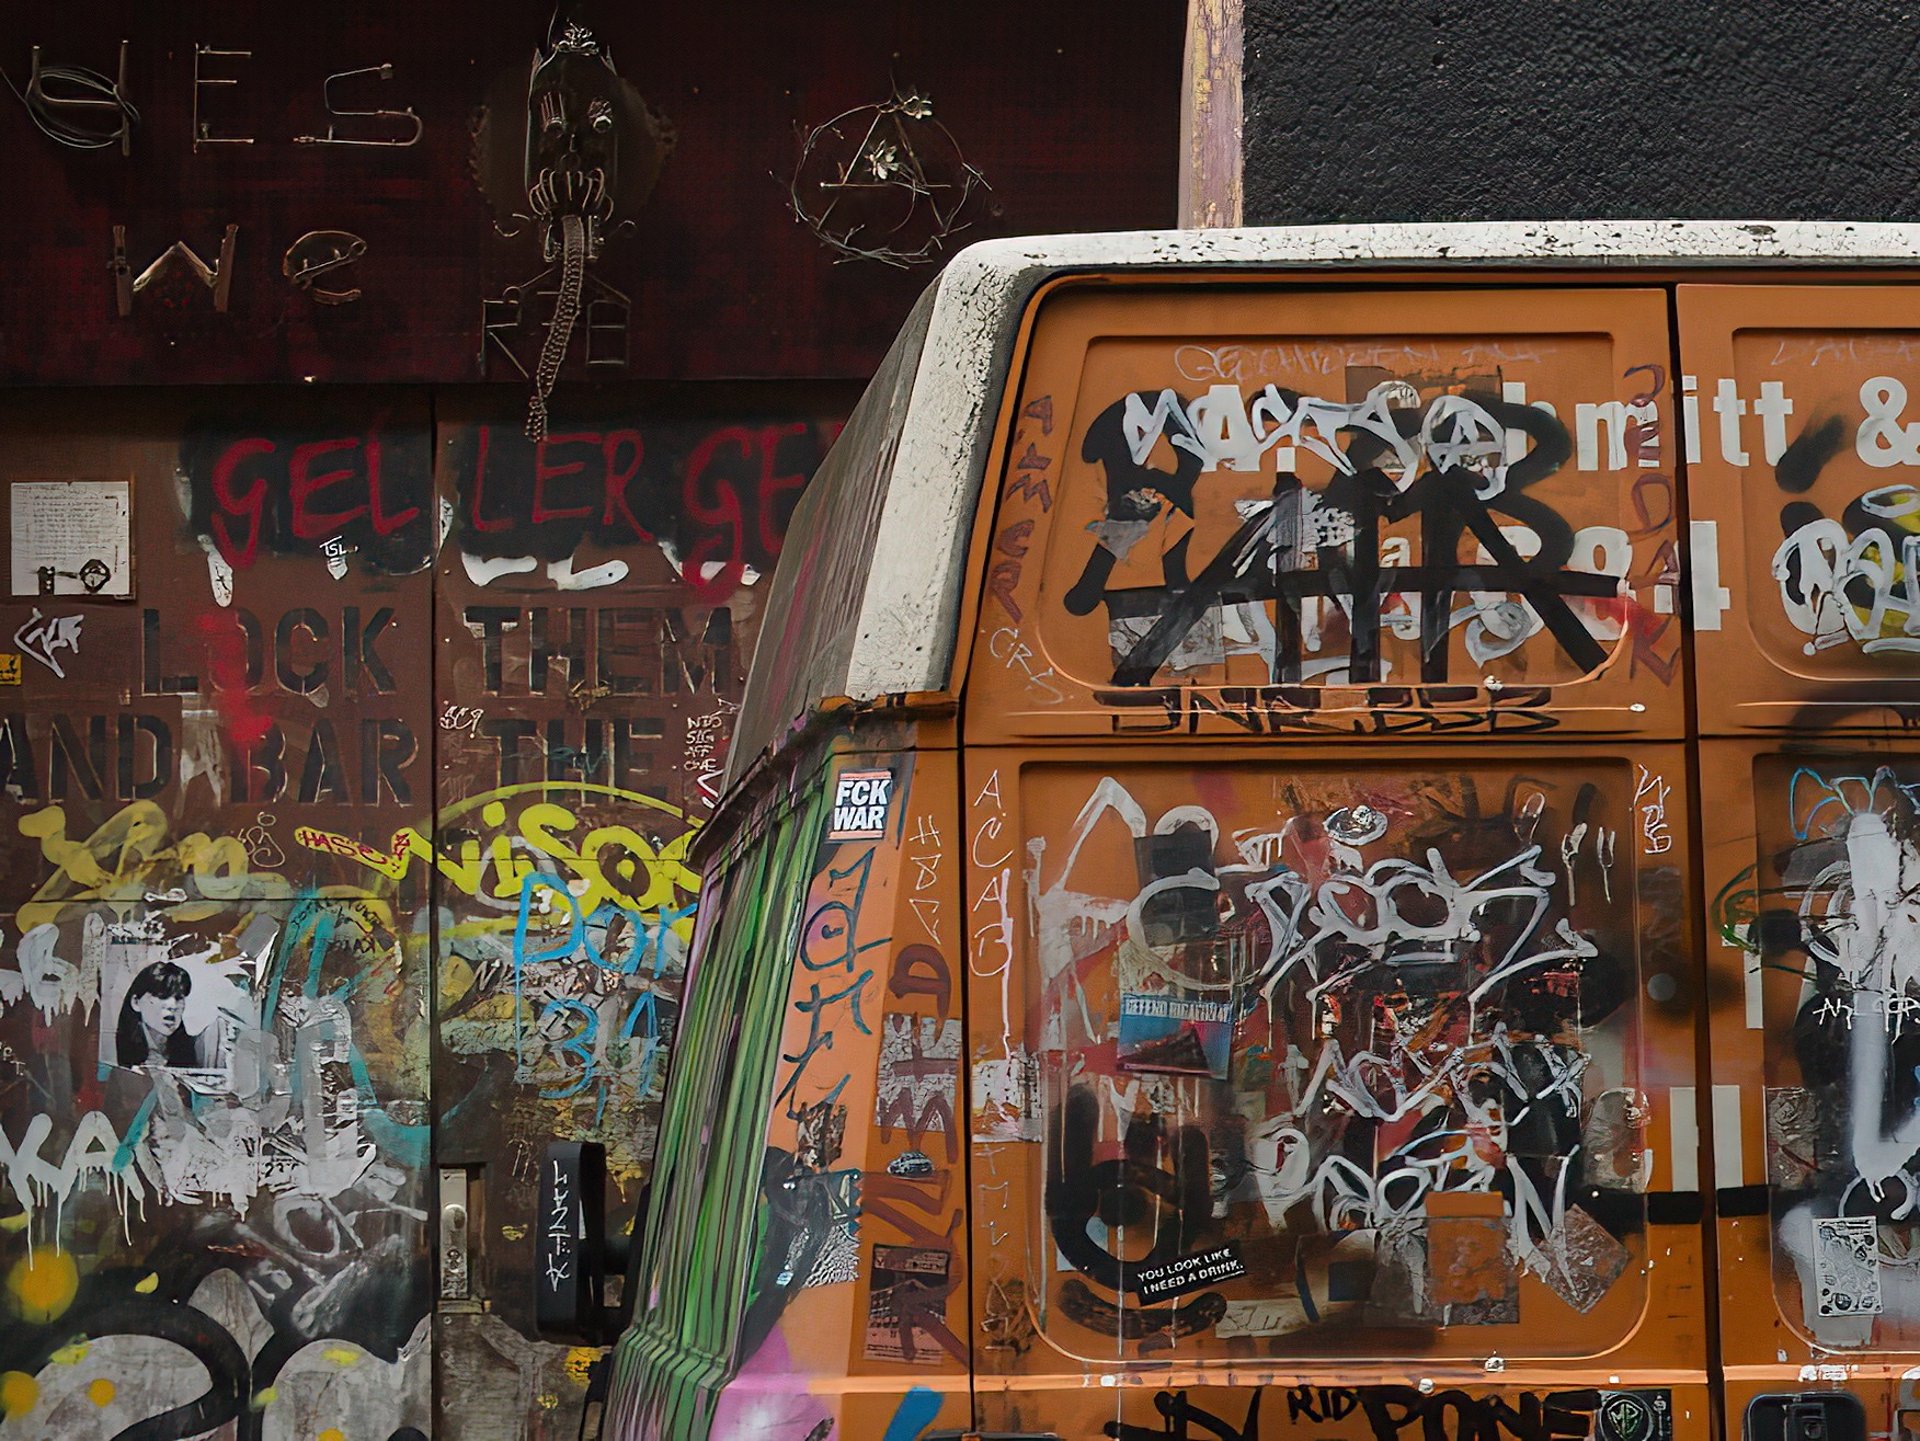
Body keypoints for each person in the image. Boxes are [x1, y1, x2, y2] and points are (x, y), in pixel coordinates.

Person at [115, 961, 204, 1069]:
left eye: (179, 998)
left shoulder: (196, 1049)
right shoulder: (113, 1052)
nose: (173, 1005)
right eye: (162, 996)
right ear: (136, 1002)